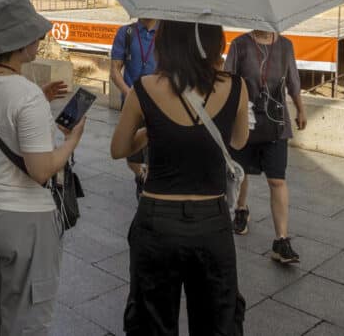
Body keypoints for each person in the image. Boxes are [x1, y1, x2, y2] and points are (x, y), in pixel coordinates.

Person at [110, 20, 250, 335]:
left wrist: (150, 131)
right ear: (215, 43)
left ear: (167, 43)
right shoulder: (237, 87)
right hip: (211, 221)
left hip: (157, 219)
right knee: (218, 319)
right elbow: (239, 142)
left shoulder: (144, 88)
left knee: (151, 321)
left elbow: (119, 149)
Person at [0, 0, 80, 336]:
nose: (40, 39)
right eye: (35, 34)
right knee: (26, 319)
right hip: (21, 218)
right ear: (20, 41)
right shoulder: (24, 95)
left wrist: (38, 99)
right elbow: (41, 170)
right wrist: (72, 140)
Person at [223, 29, 307, 265]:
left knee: (277, 179)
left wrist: (300, 108)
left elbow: (293, 81)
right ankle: (241, 208)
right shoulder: (240, 45)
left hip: (276, 123)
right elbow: (228, 80)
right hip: (245, 120)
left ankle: (281, 240)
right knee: (242, 172)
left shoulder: (286, 46)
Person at [109, 18, 158, 197]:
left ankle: (151, 183)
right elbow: (114, 70)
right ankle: (140, 175)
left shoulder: (167, 33)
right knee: (131, 151)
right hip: (131, 103)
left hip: (158, 103)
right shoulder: (126, 32)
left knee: (157, 147)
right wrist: (129, 93)